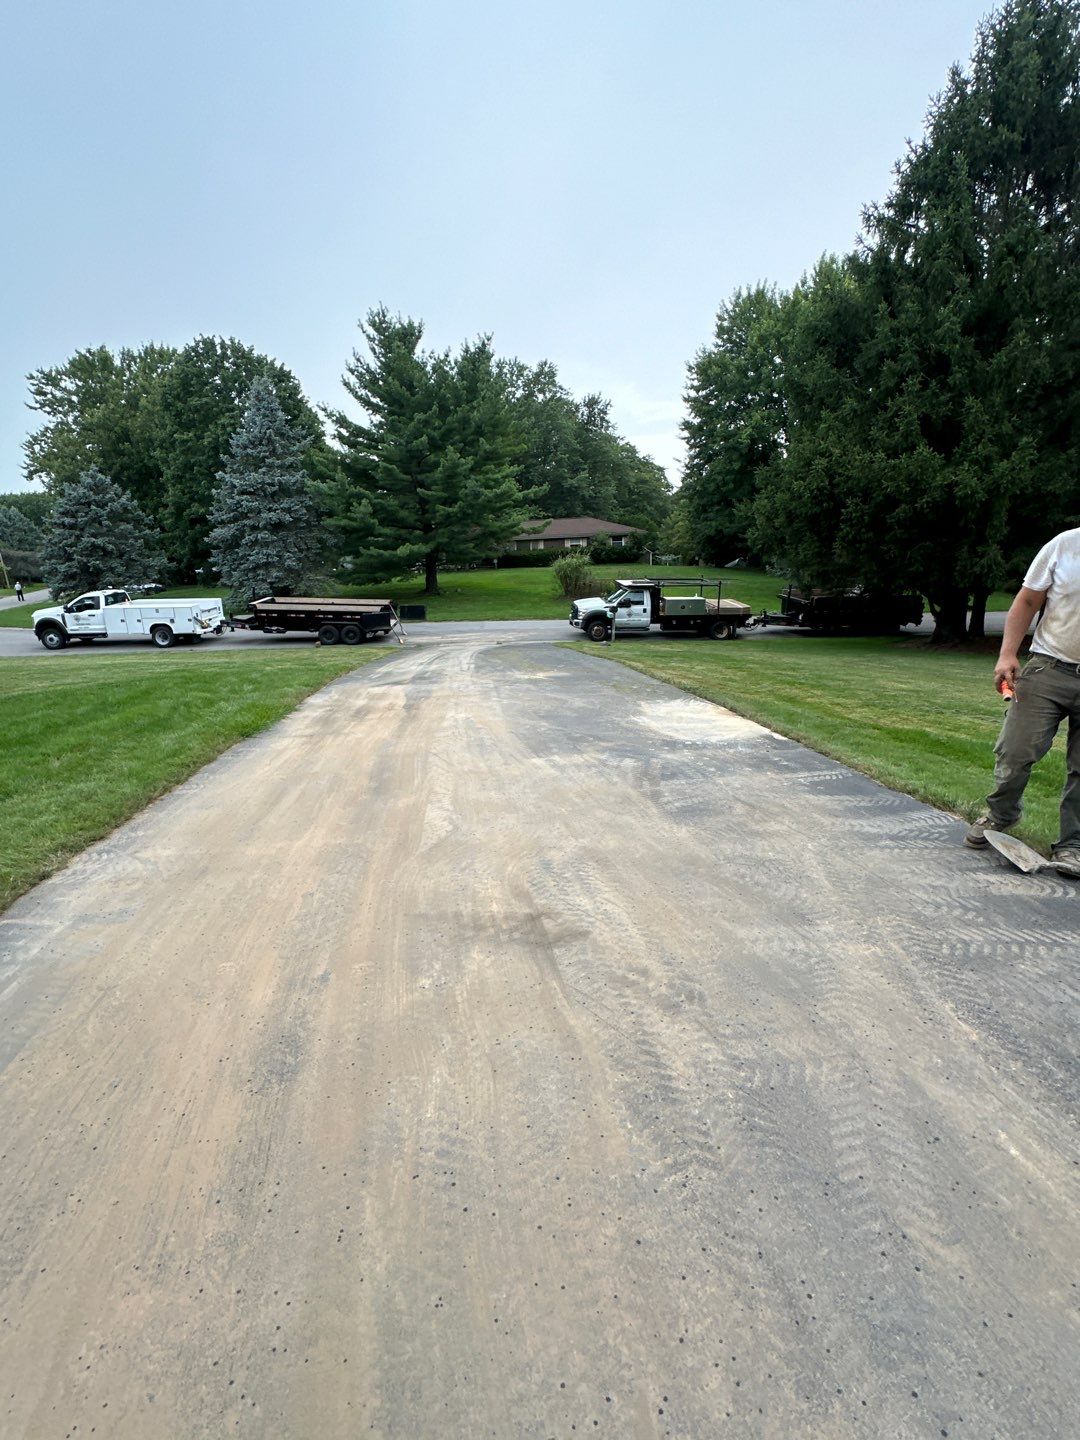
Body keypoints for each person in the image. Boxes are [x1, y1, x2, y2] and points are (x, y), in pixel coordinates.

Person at [965, 527, 1080, 877]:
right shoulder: (1065, 545)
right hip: (1049, 667)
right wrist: (1007, 654)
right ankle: (1001, 813)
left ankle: (1073, 845)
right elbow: (1028, 600)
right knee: (1014, 751)